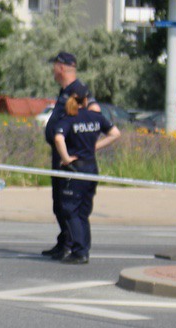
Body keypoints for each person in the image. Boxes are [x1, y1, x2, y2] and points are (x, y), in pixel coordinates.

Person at [52, 85, 120, 264]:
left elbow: (58, 138)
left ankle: (79, 251)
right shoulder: (96, 117)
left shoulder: (69, 118)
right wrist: (94, 147)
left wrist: (66, 158)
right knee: (83, 212)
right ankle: (83, 250)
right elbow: (115, 133)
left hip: (76, 170)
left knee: (71, 210)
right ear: (86, 100)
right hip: (91, 168)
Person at [42, 51, 99, 260]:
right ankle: (64, 241)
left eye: (54, 66)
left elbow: (95, 112)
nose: (53, 70)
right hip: (60, 156)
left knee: (69, 205)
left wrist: (84, 141)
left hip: (71, 157)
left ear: (61, 67)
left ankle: (74, 245)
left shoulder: (78, 90)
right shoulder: (65, 91)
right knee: (58, 203)